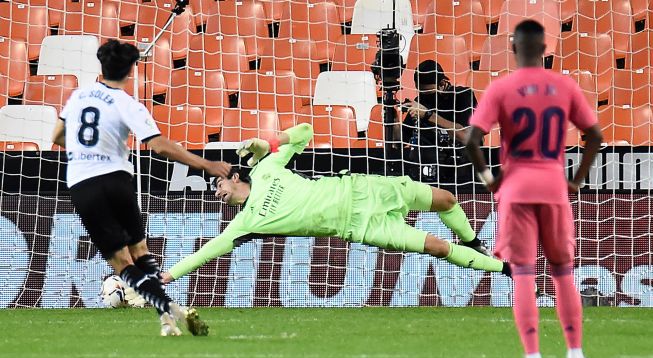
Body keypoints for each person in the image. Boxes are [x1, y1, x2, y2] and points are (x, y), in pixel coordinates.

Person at [160, 122, 513, 285]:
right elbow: (207, 251)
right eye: (212, 190)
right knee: (436, 247)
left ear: (234, 176)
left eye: (216, 182)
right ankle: (508, 271)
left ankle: (472, 242)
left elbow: (305, 131)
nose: (216, 191)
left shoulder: (266, 168)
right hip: (359, 226)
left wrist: (267, 143)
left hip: (363, 189)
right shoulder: (245, 223)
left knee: (446, 199)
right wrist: (170, 274)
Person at [51, 39, 232, 336]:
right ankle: (166, 319)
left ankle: (172, 310)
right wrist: (207, 164)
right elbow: (158, 146)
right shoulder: (127, 104)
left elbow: (58, 135)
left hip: (83, 182)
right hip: (117, 178)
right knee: (140, 250)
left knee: (122, 263)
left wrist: (88, 150)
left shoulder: (79, 95)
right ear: (131, 70)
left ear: (102, 65)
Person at [465, 20, 602, 358]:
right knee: (562, 270)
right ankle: (575, 353)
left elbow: (471, 138)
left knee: (524, 272)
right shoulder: (564, 86)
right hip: (554, 186)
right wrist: (577, 180)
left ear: (514, 50)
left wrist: (487, 177)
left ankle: (532, 356)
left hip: (516, 188)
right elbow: (595, 135)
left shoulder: (501, 88)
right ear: (545, 50)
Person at [398, 60, 477, 187]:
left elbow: (465, 135)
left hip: (461, 170)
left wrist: (428, 115)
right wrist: (393, 119)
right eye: (421, 92)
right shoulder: (421, 101)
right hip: (427, 167)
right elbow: (399, 141)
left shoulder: (463, 96)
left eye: (429, 93)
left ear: (442, 84)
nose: (425, 97)